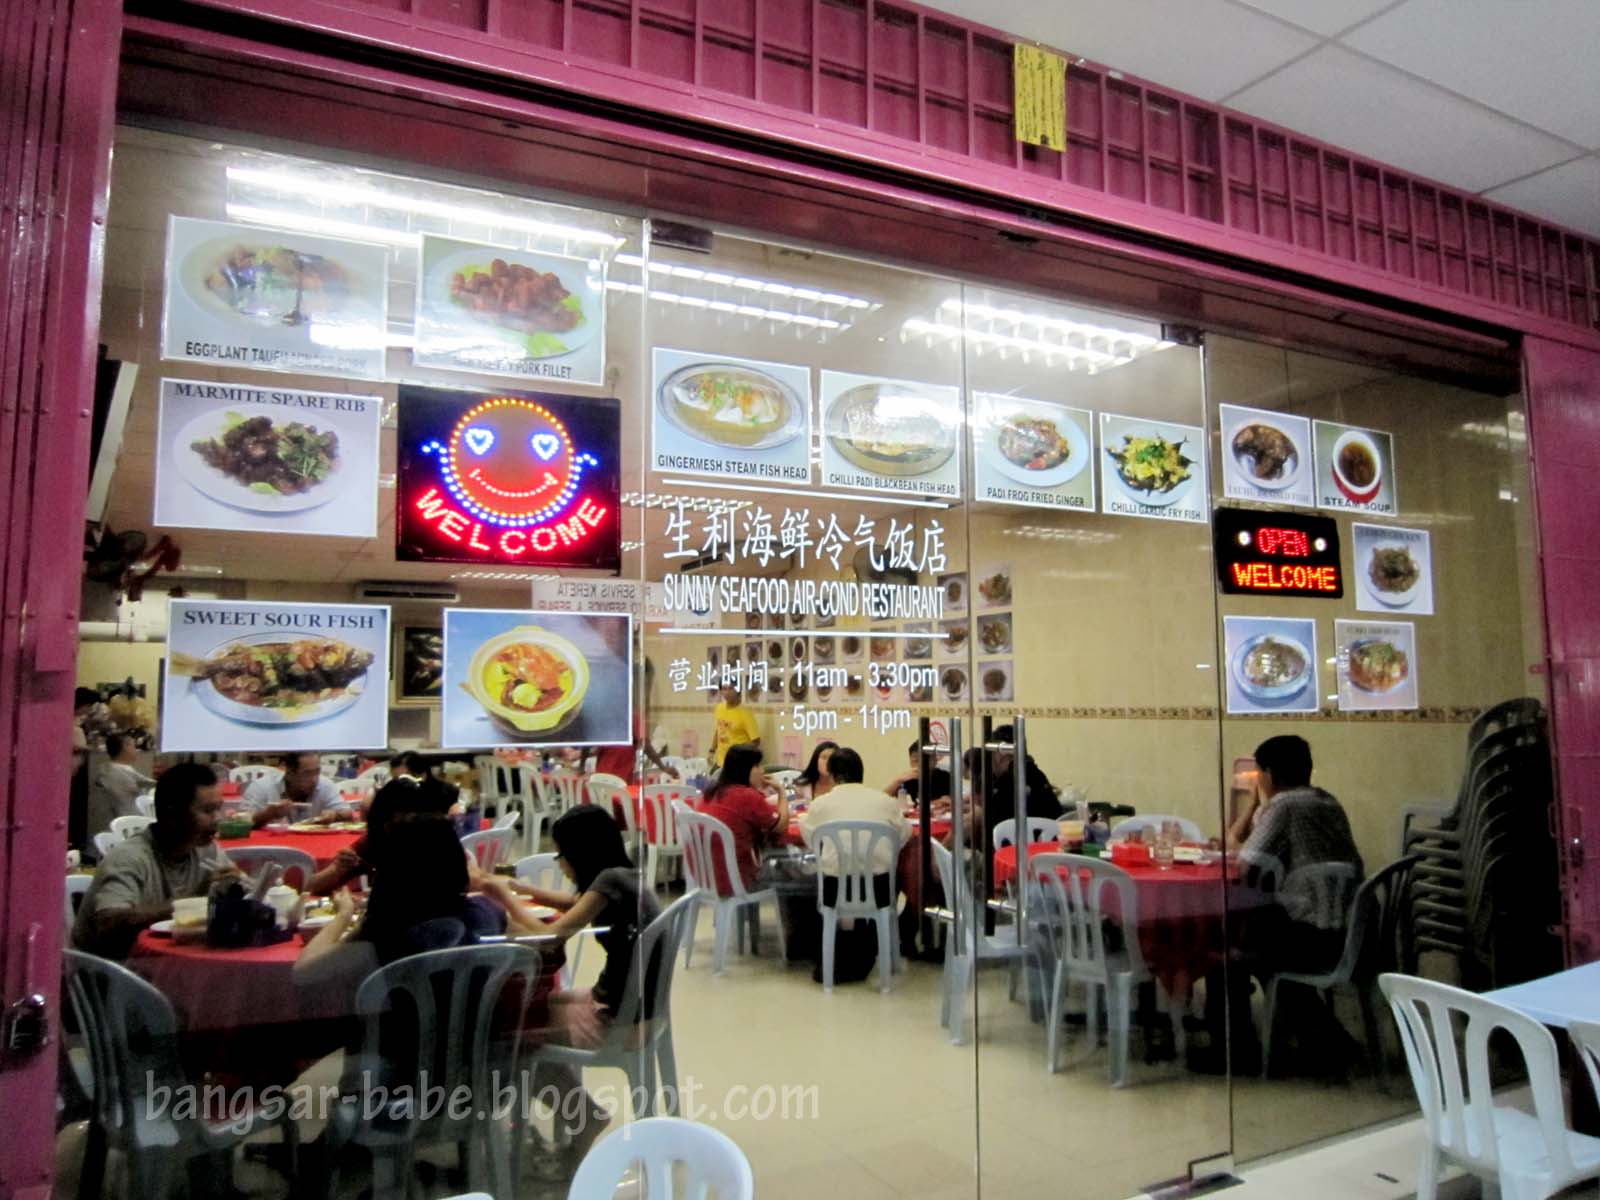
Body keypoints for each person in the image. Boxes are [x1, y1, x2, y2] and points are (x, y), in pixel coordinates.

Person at [474, 805, 661, 1161]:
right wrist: (516, 886)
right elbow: (573, 905)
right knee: (543, 1005)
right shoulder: (623, 875)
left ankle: (583, 1115)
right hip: (635, 1006)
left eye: (562, 853)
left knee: (515, 1033)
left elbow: (550, 939)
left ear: (579, 852)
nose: (560, 861)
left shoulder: (609, 881)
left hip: (619, 1018)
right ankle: (572, 1109)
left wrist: (505, 899)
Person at [1193, 735, 1364, 1076]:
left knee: (1222, 947)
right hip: (1351, 930)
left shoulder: (1284, 806)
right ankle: (1327, 1040)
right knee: (1250, 937)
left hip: (1314, 936)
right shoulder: (1327, 801)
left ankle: (1233, 1052)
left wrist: (1257, 802)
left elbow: (1244, 864)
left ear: (1267, 774)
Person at [73, 763, 237, 958]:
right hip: (116, 974)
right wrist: (189, 904)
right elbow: (109, 922)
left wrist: (234, 890)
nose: (218, 819)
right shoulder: (130, 857)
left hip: (168, 962)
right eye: (208, 811)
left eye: (219, 809)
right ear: (172, 814)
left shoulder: (207, 850)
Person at [696, 743, 788, 894]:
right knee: (795, 872)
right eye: (758, 765)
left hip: (705, 875)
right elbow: (781, 826)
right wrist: (781, 791)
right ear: (745, 769)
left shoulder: (712, 791)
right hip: (735, 878)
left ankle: (748, 917)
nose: (762, 771)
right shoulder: (747, 796)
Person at [593, 659, 677, 783]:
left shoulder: (605, 715)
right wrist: (662, 766)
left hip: (600, 778)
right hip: (619, 779)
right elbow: (646, 746)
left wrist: (581, 766)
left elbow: (590, 744)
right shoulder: (631, 716)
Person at [243, 752, 352, 828]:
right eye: (307, 774)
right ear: (289, 773)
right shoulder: (262, 787)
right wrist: (267, 814)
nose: (314, 779)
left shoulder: (325, 785)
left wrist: (335, 815)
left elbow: (348, 814)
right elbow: (241, 823)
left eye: (317, 772)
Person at [86, 732, 155, 845]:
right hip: (125, 817)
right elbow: (141, 784)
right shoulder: (113, 771)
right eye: (133, 746)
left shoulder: (115, 769)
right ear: (125, 747)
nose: (136, 750)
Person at [883, 739, 952, 807]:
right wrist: (897, 781)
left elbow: (953, 802)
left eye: (926, 760)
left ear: (935, 760)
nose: (921, 764)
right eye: (916, 760)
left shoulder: (946, 777)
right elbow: (882, 800)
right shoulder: (907, 779)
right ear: (910, 761)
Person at [708, 684, 760, 768]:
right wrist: (712, 750)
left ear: (738, 691)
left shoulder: (745, 714)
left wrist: (740, 754)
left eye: (731, 689)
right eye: (724, 689)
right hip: (720, 762)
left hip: (737, 764)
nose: (727, 693)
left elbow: (756, 741)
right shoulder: (719, 708)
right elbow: (718, 730)